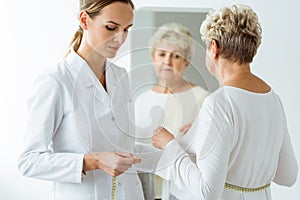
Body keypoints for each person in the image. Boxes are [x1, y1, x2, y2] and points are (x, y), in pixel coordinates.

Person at [151, 4, 298, 200]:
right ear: (252, 51)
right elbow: (288, 176)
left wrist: (170, 146)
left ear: (213, 47)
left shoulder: (219, 103)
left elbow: (207, 193)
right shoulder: (273, 99)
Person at [17, 0, 145, 199]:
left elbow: (124, 147)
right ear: (85, 20)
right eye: (111, 28)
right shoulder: (55, 81)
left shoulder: (121, 76)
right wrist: (92, 161)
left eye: (126, 29)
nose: (120, 39)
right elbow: (29, 161)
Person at [134, 23, 209, 200]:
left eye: (175, 56)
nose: (167, 62)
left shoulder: (202, 98)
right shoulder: (142, 99)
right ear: (153, 57)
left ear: (186, 62)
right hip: (145, 188)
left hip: (182, 190)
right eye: (161, 54)